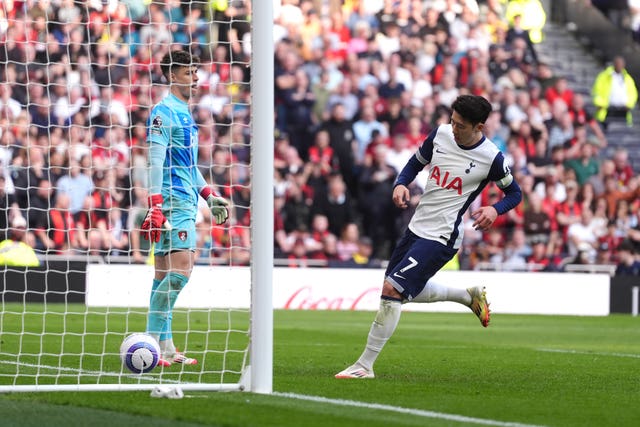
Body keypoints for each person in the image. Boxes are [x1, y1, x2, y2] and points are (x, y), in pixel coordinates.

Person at [335, 95, 522, 379]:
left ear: (479, 127)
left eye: (460, 125)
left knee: (392, 290)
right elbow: (415, 162)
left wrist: (496, 210)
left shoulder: (492, 158)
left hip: (443, 235)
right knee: (401, 292)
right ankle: (466, 296)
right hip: (416, 227)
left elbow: (515, 193)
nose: (453, 127)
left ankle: (364, 366)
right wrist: (401, 183)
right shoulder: (441, 134)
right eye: (452, 121)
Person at [141, 49, 229, 367]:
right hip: (172, 203)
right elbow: (155, 160)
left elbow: (188, 165)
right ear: (172, 75)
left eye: (196, 71)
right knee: (180, 273)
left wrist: (209, 195)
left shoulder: (184, 112)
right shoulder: (163, 112)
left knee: (163, 275)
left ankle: (164, 348)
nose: (195, 77)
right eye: (189, 71)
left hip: (186, 200)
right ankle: (148, 343)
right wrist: (155, 204)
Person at [591, 56, 638, 128]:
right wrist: (601, 104)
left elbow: (633, 94)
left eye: (621, 64)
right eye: (618, 63)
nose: (619, 66)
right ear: (614, 64)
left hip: (623, 110)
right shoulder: (604, 76)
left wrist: (629, 105)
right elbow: (596, 92)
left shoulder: (628, 78)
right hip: (607, 109)